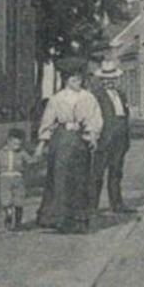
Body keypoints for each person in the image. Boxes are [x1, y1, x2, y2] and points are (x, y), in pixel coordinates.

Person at [34, 57, 102, 233]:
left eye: (79, 79)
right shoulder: (57, 99)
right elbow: (48, 121)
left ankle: (78, 220)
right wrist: (42, 144)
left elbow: (94, 119)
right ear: (66, 80)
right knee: (60, 178)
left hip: (80, 141)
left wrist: (93, 136)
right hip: (61, 140)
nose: (77, 82)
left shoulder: (88, 98)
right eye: (73, 80)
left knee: (79, 179)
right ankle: (59, 219)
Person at [89, 61, 134, 213]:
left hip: (120, 139)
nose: (110, 82)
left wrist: (126, 137)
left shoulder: (121, 94)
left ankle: (117, 204)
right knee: (97, 173)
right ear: (101, 80)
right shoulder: (96, 95)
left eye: (113, 78)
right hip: (104, 139)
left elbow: (125, 116)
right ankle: (92, 206)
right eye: (106, 79)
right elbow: (92, 117)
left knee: (116, 172)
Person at [0, 128, 33, 232]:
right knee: (6, 198)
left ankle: (18, 222)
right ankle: (8, 214)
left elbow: (30, 161)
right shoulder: (0, 153)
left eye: (19, 144)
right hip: (4, 178)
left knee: (19, 199)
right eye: (15, 144)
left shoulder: (22, 153)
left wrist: (35, 159)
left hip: (18, 178)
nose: (17, 147)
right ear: (9, 141)